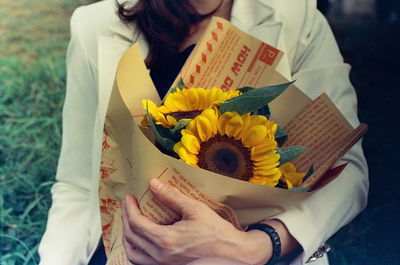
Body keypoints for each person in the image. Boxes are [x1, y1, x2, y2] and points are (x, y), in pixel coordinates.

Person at [38, 0, 369, 264]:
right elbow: (78, 183)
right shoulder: (93, 25)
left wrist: (258, 245)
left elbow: (345, 170)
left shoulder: (298, 17)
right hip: (131, 252)